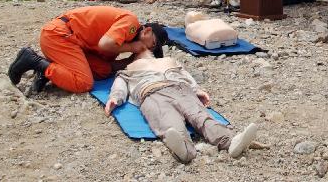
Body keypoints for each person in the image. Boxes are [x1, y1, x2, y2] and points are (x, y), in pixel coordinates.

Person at [106, 48, 259, 163]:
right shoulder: (128, 69)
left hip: (181, 89)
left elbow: (186, 75)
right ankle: (184, 150)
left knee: (202, 117)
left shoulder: (169, 60)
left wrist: (197, 89)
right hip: (153, 93)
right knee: (169, 123)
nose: (146, 50)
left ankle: (231, 142)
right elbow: (119, 85)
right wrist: (115, 98)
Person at [7, 6, 167, 94]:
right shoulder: (131, 23)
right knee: (83, 83)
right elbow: (105, 44)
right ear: (146, 31)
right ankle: (33, 61)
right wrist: (133, 47)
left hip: (70, 40)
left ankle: (49, 67)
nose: (147, 49)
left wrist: (131, 61)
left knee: (103, 70)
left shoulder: (123, 40)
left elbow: (107, 65)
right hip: (58, 34)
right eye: (151, 44)